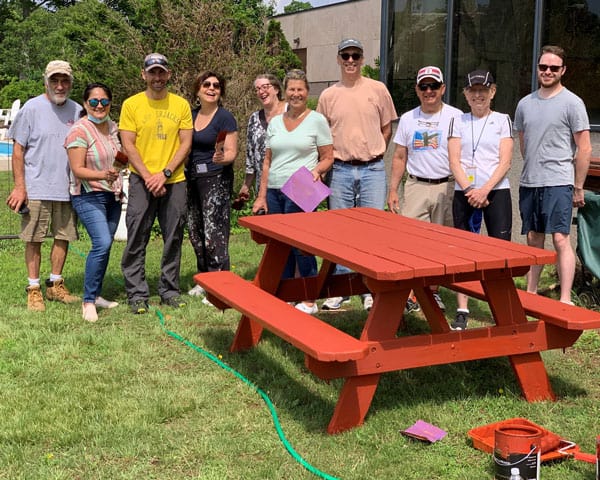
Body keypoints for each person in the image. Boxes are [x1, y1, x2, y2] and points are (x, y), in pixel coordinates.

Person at [317, 38, 397, 311]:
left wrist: (375, 152)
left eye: (356, 56)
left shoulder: (378, 89)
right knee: (340, 231)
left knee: (372, 232)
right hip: (339, 169)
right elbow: (322, 135)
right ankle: (342, 288)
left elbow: (387, 128)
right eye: (346, 56)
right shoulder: (329, 95)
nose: (351, 61)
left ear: (363, 59)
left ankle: (368, 288)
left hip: (372, 169)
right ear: (338, 59)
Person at [513, 45, 592, 305]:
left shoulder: (572, 103)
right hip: (530, 181)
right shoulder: (525, 103)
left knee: (560, 238)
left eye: (553, 68)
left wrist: (578, 186)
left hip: (559, 181)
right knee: (533, 238)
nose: (547, 71)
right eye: (543, 67)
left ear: (563, 71)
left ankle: (566, 298)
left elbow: (584, 147)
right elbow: (524, 143)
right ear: (537, 69)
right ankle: (531, 293)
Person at [252, 69, 333, 314]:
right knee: (279, 245)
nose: (296, 94)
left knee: (302, 244)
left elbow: (328, 156)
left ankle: (308, 298)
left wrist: (317, 171)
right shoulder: (275, 122)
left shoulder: (317, 120)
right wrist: (261, 195)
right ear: (284, 92)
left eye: (300, 90)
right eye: (292, 90)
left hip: (301, 187)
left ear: (307, 92)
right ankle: (285, 293)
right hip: (275, 189)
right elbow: (266, 161)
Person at [119, 53, 193, 314]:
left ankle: (169, 290)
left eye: (162, 72)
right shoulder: (131, 104)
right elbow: (128, 143)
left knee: (173, 237)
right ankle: (137, 294)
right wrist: (150, 176)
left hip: (175, 180)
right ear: (144, 75)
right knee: (137, 235)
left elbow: (185, 142)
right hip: (141, 180)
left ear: (169, 74)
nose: (157, 78)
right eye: (153, 73)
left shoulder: (181, 105)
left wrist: (165, 172)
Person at [6, 60, 82, 312]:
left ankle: (56, 284)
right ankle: (34, 289)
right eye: (54, 80)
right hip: (36, 187)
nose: (59, 86)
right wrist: (20, 187)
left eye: (64, 81)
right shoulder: (31, 108)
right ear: (45, 81)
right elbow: (18, 150)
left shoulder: (78, 111)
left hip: (67, 188)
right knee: (34, 238)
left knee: (63, 237)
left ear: (71, 82)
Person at [387, 65, 462, 314]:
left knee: (441, 243)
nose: (428, 91)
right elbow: (399, 157)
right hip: (416, 184)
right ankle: (410, 292)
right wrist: (393, 190)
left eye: (433, 86)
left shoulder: (455, 116)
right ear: (417, 90)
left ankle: (433, 292)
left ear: (442, 89)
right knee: (409, 243)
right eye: (423, 86)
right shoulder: (408, 118)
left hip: (446, 186)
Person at [448, 70, 513, 330]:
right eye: (472, 90)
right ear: (465, 93)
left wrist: (484, 189)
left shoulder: (502, 120)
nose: (478, 95)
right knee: (463, 253)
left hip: (496, 191)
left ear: (492, 92)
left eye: (483, 90)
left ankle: (503, 309)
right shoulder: (458, 121)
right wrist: (470, 190)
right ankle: (463, 308)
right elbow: (454, 161)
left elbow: (506, 161)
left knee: (501, 253)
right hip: (464, 192)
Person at [65, 82, 123, 322]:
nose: (99, 106)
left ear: (110, 103)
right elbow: (77, 169)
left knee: (106, 245)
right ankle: (88, 302)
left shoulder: (113, 127)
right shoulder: (79, 131)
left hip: (113, 195)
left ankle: (97, 294)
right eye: (94, 101)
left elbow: (120, 155)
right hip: (88, 194)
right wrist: (103, 175)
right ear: (85, 103)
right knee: (102, 242)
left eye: (104, 101)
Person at [186, 71, 238, 301]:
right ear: (198, 89)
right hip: (191, 178)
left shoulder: (225, 118)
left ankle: (219, 282)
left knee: (214, 231)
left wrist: (222, 159)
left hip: (216, 179)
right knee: (195, 231)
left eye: (216, 85)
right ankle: (205, 277)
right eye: (206, 84)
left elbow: (231, 152)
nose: (211, 88)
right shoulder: (190, 115)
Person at [233, 74, 286, 209]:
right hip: (264, 188)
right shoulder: (254, 119)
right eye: (257, 89)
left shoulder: (291, 112)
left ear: (276, 89)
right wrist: (246, 186)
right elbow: (251, 157)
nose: (261, 92)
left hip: (292, 184)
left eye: (265, 87)